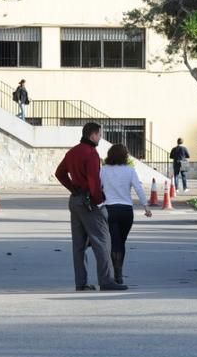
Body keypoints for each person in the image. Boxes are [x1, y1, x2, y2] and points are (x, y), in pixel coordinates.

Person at [55, 122, 127, 291]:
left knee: (78, 245)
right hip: (90, 202)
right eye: (100, 134)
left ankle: (81, 283)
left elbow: (59, 173)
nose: (100, 138)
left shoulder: (72, 151)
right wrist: (99, 201)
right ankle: (107, 281)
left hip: (76, 200)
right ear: (93, 135)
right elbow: (94, 181)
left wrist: (73, 188)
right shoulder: (91, 153)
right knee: (102, 241)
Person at [101, 144, 153, 285]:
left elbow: (97, 188)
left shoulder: (103, 170)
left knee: (114, 242)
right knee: (121, 242)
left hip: (109, 209)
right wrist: (146, 206)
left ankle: (117, 273)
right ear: (125, 156)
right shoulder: (130, 171)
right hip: (126, 211)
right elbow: (138, 188)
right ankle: (119, 271)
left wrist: (97, 204)